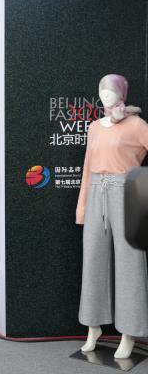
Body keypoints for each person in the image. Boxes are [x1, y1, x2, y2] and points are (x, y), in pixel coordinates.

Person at [76, 74, 148, 359]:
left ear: (122, 93)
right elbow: (87, 168)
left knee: (130, 263)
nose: (105, 95)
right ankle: (93, 326)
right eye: (102, 90)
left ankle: (129, 332)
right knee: (93, 258)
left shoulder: (137, 125)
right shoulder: (94, 127)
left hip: (126, 193)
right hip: (97, 192)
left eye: (111, 90)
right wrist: (82, 208)